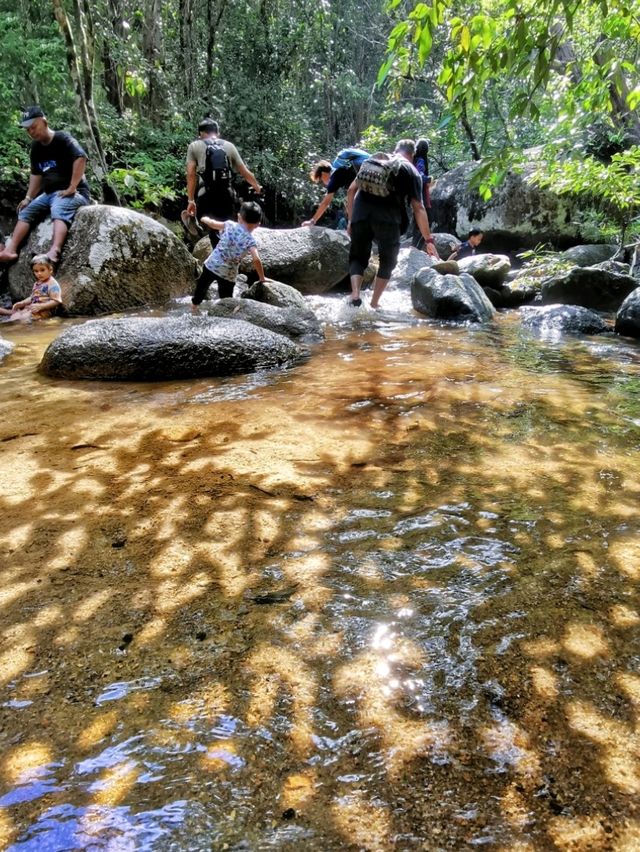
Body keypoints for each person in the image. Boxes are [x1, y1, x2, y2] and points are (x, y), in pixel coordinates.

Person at [346, 139, 439, 309]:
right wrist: (428, 240)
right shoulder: (411, 170)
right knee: (387, 262)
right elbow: (418, 207)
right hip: (388, 220)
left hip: (361, 215)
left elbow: (351, 190)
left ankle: (355, 295)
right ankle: (374, 304)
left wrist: (351, 220)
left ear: (395, 149)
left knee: (358, 257)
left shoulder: (375, 160)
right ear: (413, 155)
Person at [0, 106, 90, 265]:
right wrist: (28, 198)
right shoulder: (35, 148)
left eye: (33, 127)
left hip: (71, 192)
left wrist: (72, 186)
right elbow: (36, 175)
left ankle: (54, 252)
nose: (31, 132)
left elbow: (81, 157)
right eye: (28, 130)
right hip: (48, 193)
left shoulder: (63, 139)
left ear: (44, 122)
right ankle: (10, 250)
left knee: (59, 207)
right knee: (26, 211)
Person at [184, 118, 262, 248]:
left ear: (200, 134)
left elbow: (191, 175)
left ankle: (201, 230)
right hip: (227, 196)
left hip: (206, 195)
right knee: (226, 227)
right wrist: (257, 187)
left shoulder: (194, 146)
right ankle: (230, 256)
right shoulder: (229, 146)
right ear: (217, 133)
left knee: (212, 229)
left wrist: (191, 200)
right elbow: (245, 172)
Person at [191, 201, 266, 309]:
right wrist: (262, 278)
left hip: (212, 266)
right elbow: (256, 259)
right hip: (228, 274)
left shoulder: (229, 225)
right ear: (258, 224)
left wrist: (204, 219)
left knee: (201, 289)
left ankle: (194, 307)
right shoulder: (251, 241)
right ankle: (224, 315)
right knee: (226, 300)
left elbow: (213, 224)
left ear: (239, 217)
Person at [302, 148, 370, 227]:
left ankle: (352, 225)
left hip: (365, 171)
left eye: (321, 180)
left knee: (350, 195)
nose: (323, 183)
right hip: (370, 170)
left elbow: (325, 203)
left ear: (323, 173)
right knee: (352, 200)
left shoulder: (335, 175)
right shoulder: (342, 171)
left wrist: (312, 221)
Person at [0, 254, 63, 321]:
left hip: (44, 311)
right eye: (36, 271)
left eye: (42, 270)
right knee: (15, 316)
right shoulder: (38, 283)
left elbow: (56, 301)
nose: (39, 273)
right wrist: (22, 303)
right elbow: (33, 297)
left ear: (50, 270)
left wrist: (41, 306)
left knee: (22, 319)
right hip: (34, 309)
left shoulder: (52, 284)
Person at [411, 138, 432, 249]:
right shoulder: (420, 160)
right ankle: (417, 246)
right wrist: (429, 179)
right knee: (423, 218)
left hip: (413, 194)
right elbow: (419, 175)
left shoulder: (412, 158)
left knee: (416, 220)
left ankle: (415, 245)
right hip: (420, 194)